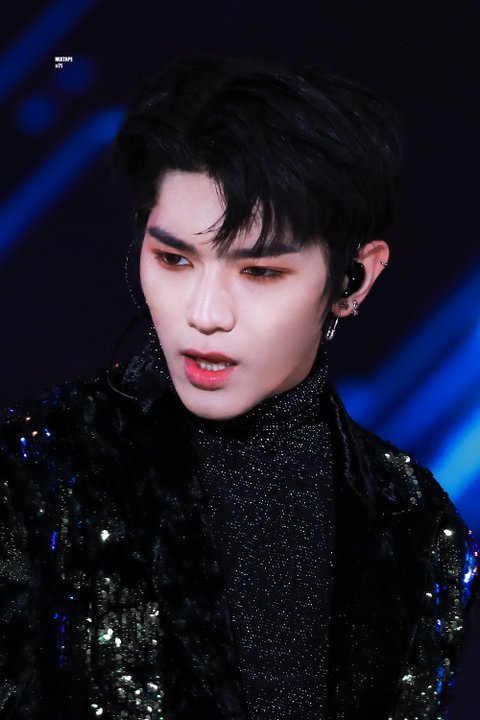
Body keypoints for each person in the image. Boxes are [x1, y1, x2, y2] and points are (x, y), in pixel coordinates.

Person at [0, 55, 477, 720]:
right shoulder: (37, 471)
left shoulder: (418, 529)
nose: (204, 314)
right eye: (173, 259)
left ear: (355, 279)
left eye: (260, 272)